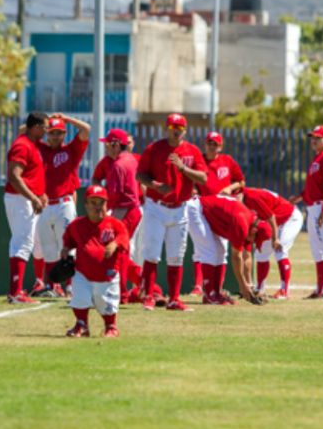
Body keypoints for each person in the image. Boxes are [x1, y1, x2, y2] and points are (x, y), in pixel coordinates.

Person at [136, 113, 208, 311]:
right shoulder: (154, 148)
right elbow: (140, 174)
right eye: (171, 127)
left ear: (185, 130)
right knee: (151, 254)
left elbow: (203, 178)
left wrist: (183, 168)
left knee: (176, 255)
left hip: (180, 207)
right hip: (156, 206)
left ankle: (174, 299)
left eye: (179, 128)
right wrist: (154, 185)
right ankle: (149, 296)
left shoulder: (191, 151)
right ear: (165, 129)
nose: (175, 131)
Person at [32, 113, 91, 297]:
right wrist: (42, 121)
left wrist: (66, 119)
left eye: (59, 133)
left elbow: (86, 129)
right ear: (46, 133)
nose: (55, 136)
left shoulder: (71, 150)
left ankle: (71, 285)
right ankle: (52, 286)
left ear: (65, 134)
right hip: (44, 203)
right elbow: (24, 132)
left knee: (67, 245)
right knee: (48, 247)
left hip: (64, 202)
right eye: (52, 132)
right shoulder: (40, 148)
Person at [61, 185, 131, 338]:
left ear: (107, 205)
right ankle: (81, 325)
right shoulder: (77, 225)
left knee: (106, 301)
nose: (98, 207)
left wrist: (114, 244)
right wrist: (66, 248)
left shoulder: (115, 224)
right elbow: (69, 239)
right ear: (86, 205)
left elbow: (124, 237)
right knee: (79, 298)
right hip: (83, 271)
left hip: (107, 273)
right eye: (93, 202)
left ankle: (111, 326)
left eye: (102, 203)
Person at [289, 125, 323, 299]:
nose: (314, 140)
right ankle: (320, 290)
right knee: (317, 250)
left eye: (318, 137)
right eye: (312, 137)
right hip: (314, 207)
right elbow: (314, 187)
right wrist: (299, 197)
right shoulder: (317, 159)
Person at [188, 131, 246, 296]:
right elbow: (190, 181)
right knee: (201, 249)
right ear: (205, 144)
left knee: (222, 250)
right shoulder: (199, 161)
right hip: (203, 208)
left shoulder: (227, 161)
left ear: (220, 146)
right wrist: (193, 190)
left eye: (215, 143)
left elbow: (241, 181)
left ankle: (217, 288)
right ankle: (199, 286)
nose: (212, 146)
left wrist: (230, 188)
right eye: (209, 143)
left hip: (222, 211)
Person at [4, 112, 49, 304]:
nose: (47, 131)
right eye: (45, 127)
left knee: (24, 242)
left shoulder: (31, 144)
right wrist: (32, 197)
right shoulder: (23, 145)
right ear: (36, 127)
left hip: (25, 199)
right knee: (22, 242)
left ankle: (15, 291)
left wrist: (40, 194)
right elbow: (14, 176)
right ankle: (16, 292)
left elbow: (31, 175)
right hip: (20, 199)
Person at [197, 194, 272, 305]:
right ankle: (209, 295)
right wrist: (242, 285)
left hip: (207, 212)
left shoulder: (251, 223)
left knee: (221, 251)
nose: (253, 243)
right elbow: (237, 257)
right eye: (256, 240)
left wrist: (249, 285)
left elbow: (247, 256)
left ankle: (216, 293)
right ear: (254, 232)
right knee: (211, 250)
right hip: (197, 208)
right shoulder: (242, 223)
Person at [100, 129, 145, 304]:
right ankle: (144, 283)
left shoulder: (118, 164)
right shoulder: (131, 159)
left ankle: (125, 292)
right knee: (121, 251)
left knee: (118, 252)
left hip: (124, 210)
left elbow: (115, 194)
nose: (106, 147)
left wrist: (105, 211)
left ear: (116, 144)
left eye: (108, 143)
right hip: (132, 209)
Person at [240, 187, 304, 299]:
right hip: (276, 222)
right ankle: (260, 289)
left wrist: (275, 239)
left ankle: (284, 290)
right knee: (261, 254)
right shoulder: (243, 198)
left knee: (280, 249)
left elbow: (271, 217)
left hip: (290, 217)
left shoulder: (251, 197)